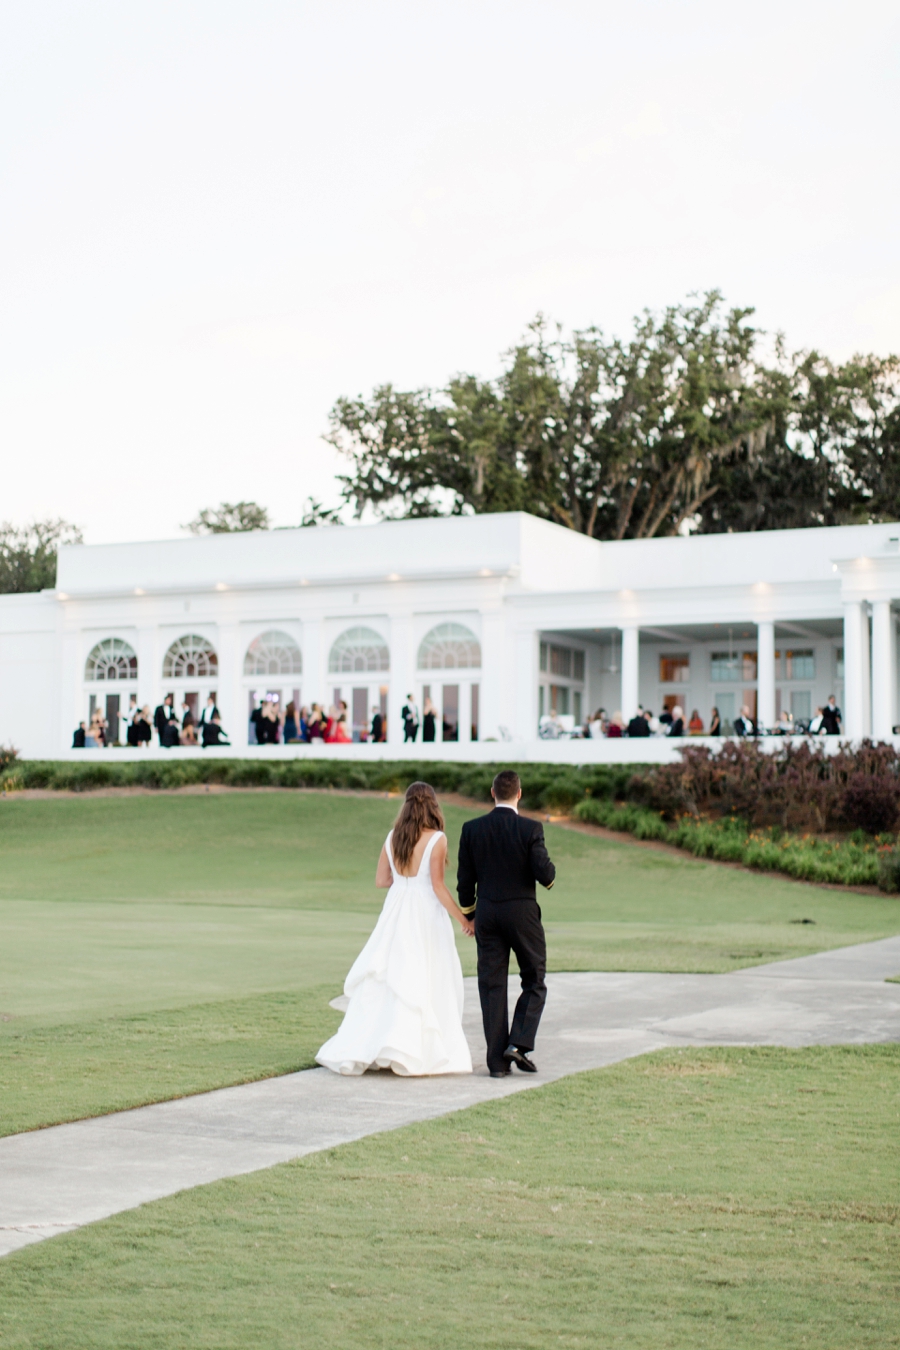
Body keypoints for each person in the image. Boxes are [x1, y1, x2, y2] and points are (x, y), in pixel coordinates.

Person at [316, 782, 474, 1076]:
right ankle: (414, 1051)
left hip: (397, 909)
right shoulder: (437, 838)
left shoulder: (392, 837)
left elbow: (380, 880)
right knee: (425, 974)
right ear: (432, 805)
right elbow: (438, 887)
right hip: (425, 912)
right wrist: (463, 919)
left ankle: (376, 1045)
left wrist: (403, 882)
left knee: (392, 973)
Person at [457, 769, 556, 1078]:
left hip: (486, 914)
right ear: (519, 794)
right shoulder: (530, 829)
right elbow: (548, 877)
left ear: (492, 793)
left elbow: (464, 882)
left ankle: (497, 1065)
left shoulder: (472, 829)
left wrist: (471, 914)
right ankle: (519, 1044)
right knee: (534, 978)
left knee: (491, 985)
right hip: (522, 915)